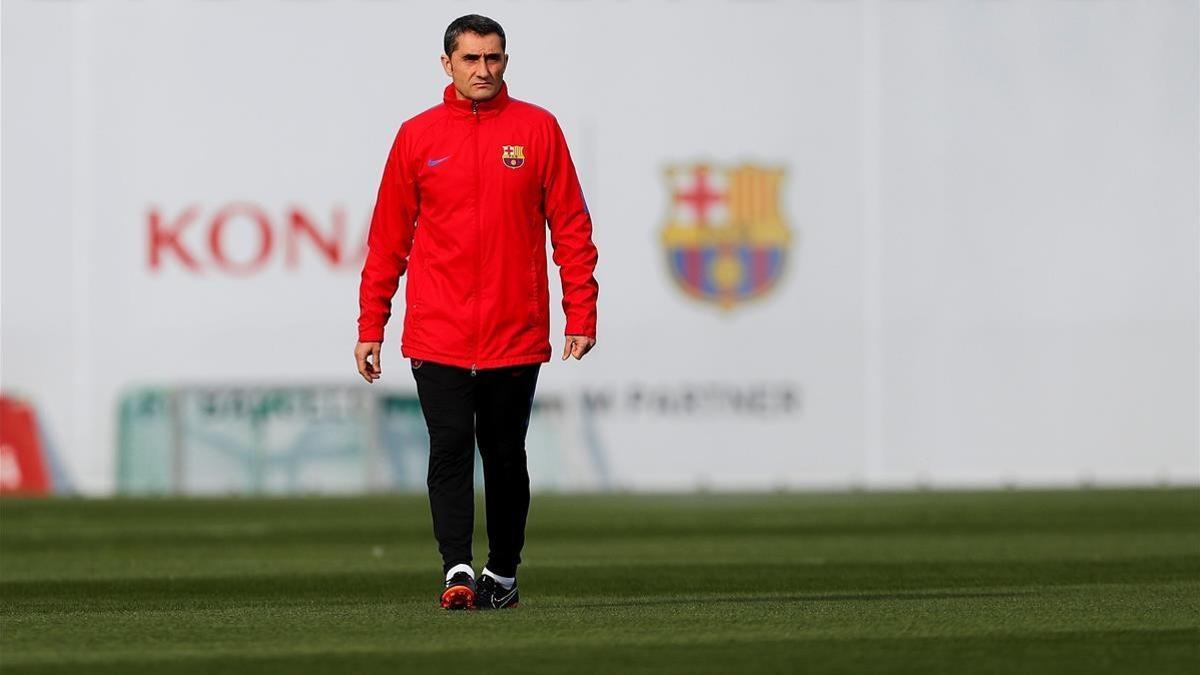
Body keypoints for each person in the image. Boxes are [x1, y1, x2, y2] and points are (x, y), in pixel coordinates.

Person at [354, 14, 599, 611]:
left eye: (493, 58)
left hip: (514, 331)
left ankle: (504, 573)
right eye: (471, 59)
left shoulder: (538, 130)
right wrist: (371, 326)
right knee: (449, 447)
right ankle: (457, 568)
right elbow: (387, 240)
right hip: (437, 331)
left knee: (506, 456)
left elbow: (570, 225)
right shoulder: (417, 136)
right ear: (448, 65)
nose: (483, 70)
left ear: (506, 62)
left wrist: (581, 312)